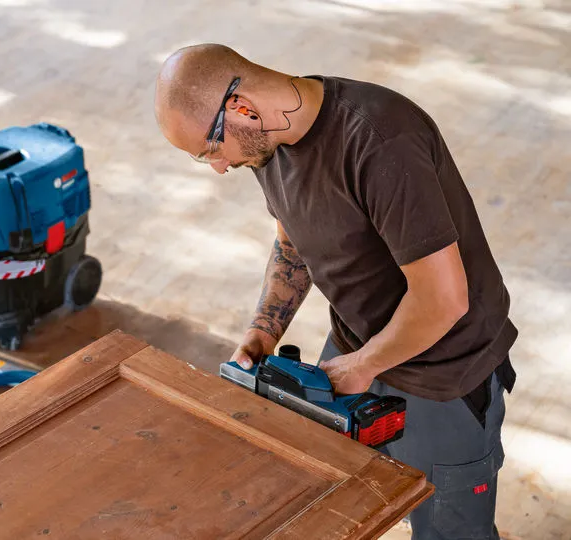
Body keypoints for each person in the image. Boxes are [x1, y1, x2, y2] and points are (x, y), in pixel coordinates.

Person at [154, 43, 517, 539]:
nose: (218, 167)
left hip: (445, 374)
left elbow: (443, 300)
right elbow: (294, 240)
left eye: (210, 151)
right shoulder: (268, 141)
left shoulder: (381, 139)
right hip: (356, 348)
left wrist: (360, 367)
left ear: (240, 109)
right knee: (331, 502)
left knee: (449, 532)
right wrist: (263, 330)